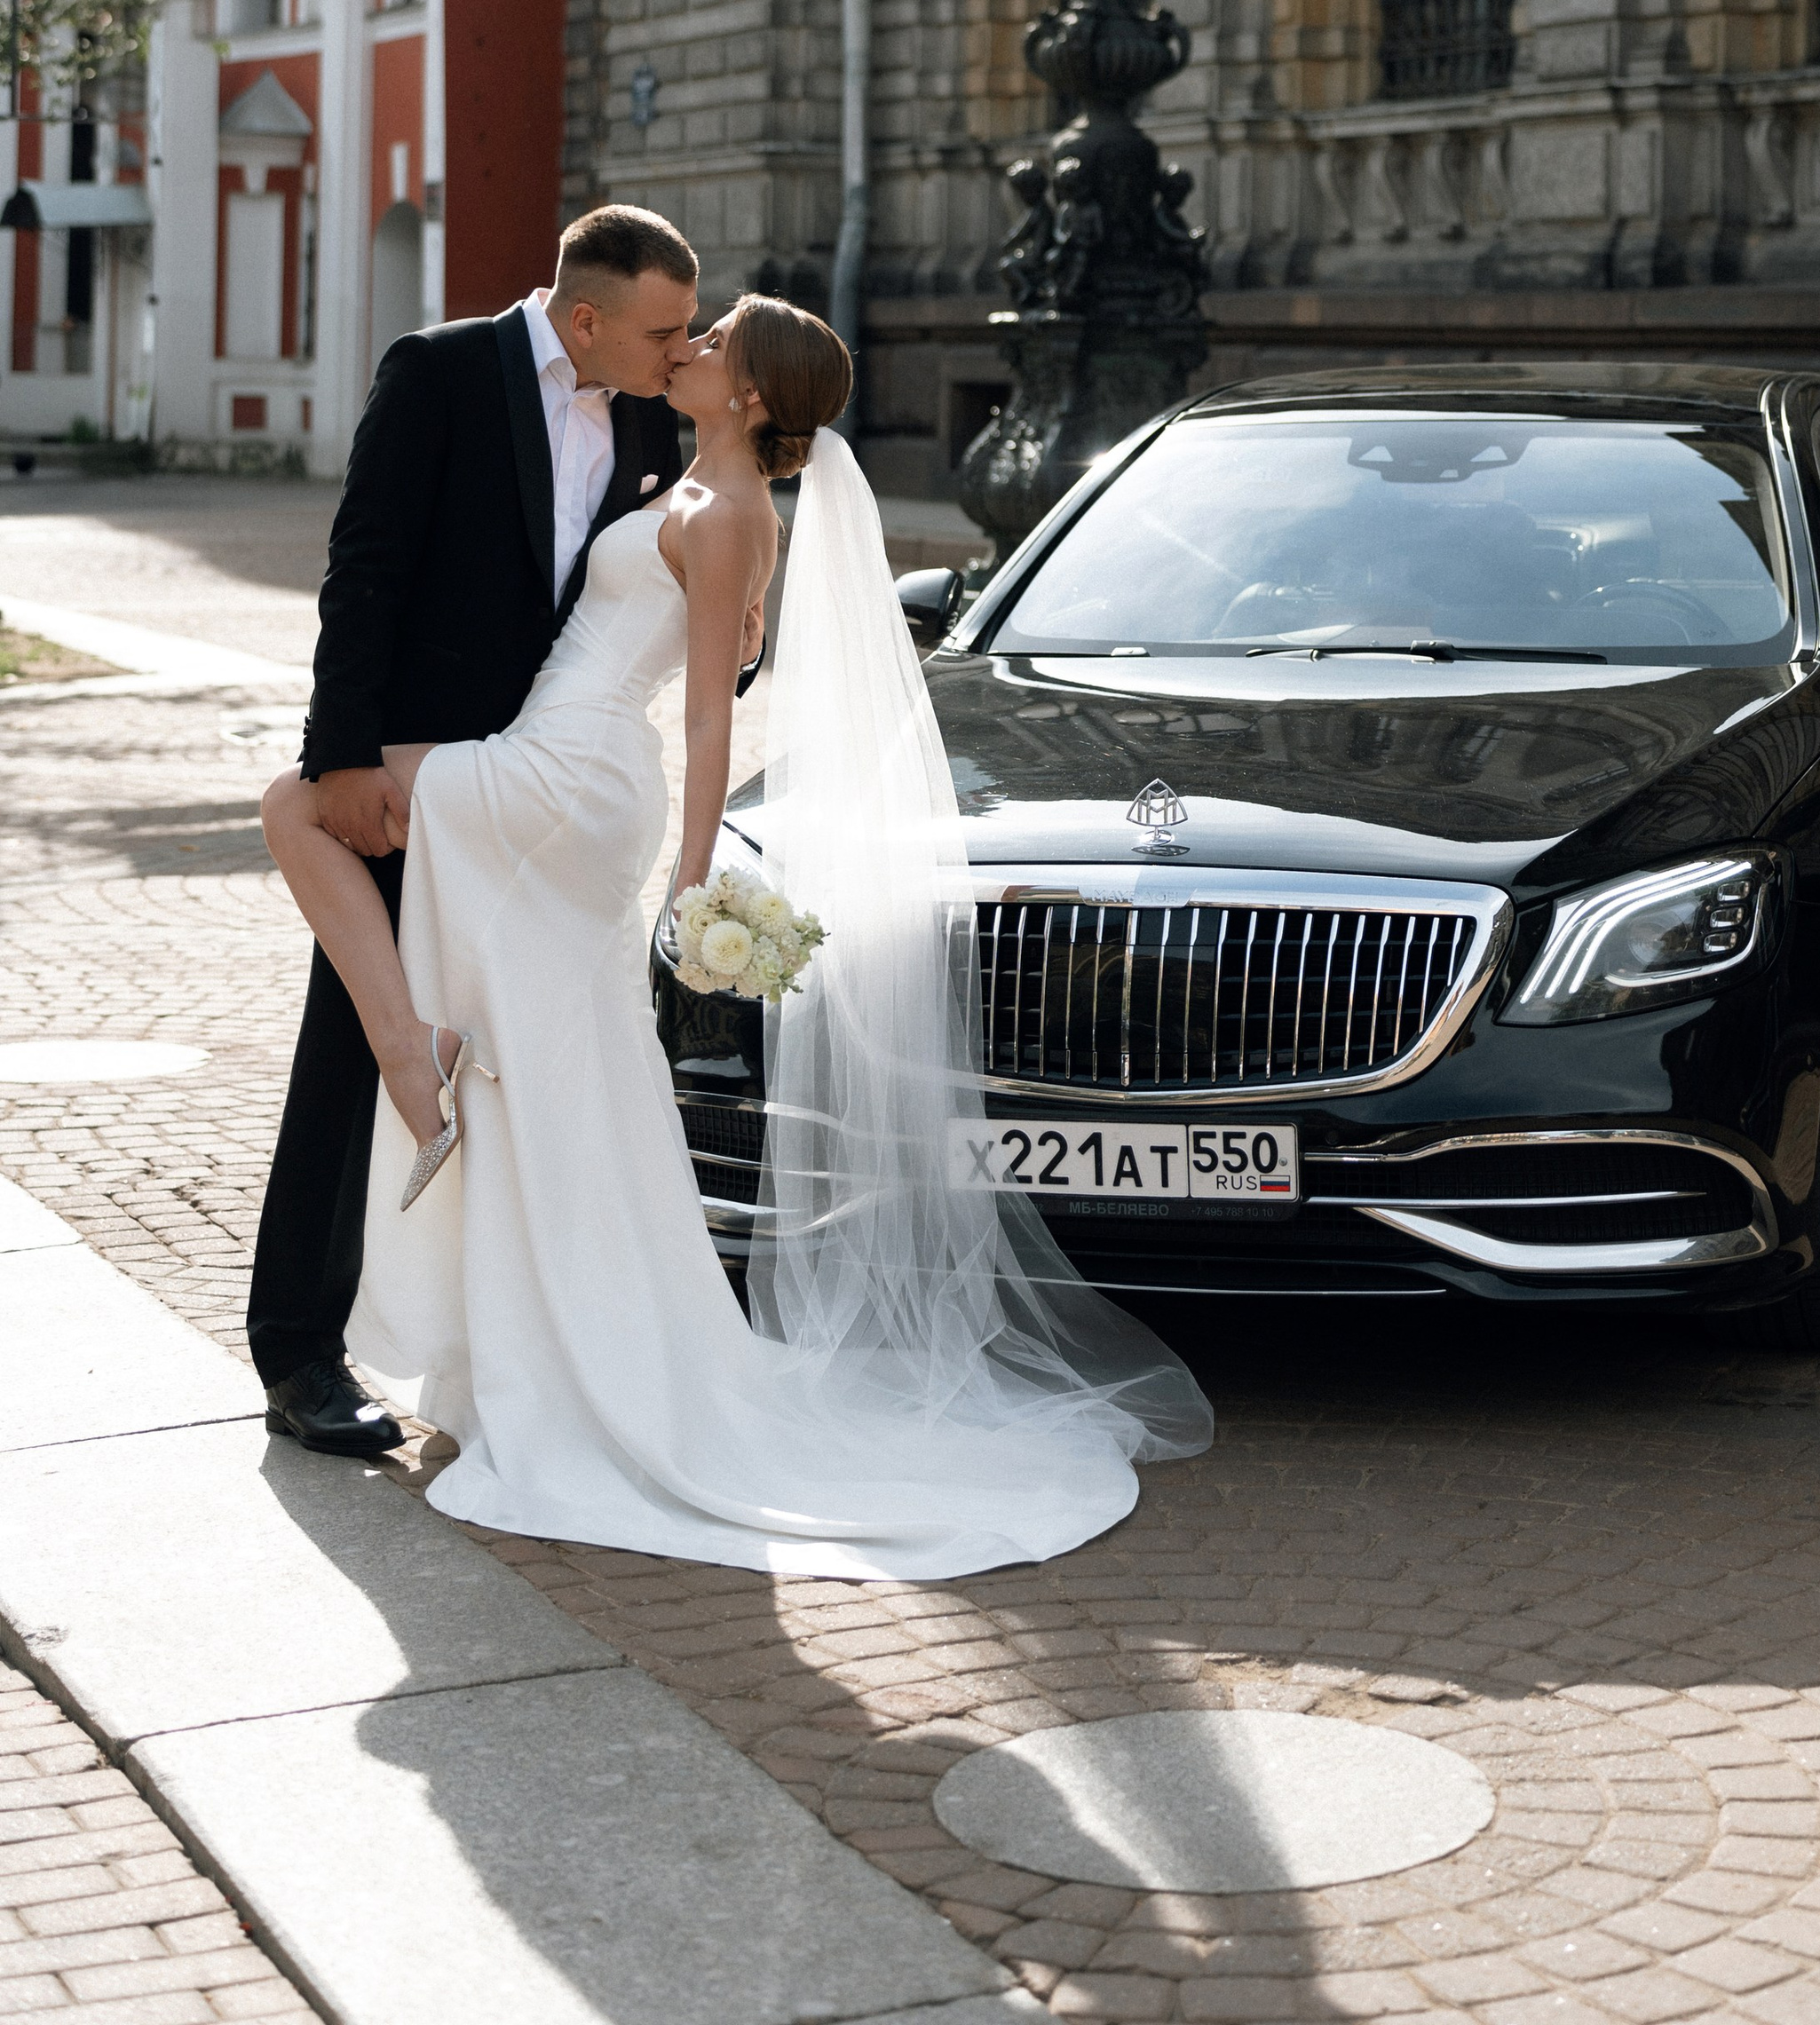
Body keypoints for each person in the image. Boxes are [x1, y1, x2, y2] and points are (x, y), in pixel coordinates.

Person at [260, 294, 1208, 1579]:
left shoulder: (734, 511)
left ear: (752, 395)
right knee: (568, 1058)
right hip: (553, 759)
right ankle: (457, 1141)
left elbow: (711, 717)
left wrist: (694, 881)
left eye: (712, 344)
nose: (688, 349)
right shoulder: (685, 478)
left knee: (297, 807)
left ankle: (412, 1057)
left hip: (573, 781)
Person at [247, 205, 703, 1456]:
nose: (683, 346)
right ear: (586, 316)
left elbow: (664, 606)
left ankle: (510, 1344)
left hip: (543, 799)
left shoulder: (661, 419)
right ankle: (298, 1352)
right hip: (415, 781)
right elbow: (368, 564)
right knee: (346, 1048)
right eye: (664, 326)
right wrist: (342, 751)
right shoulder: (439, 370)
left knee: (530, 1060)